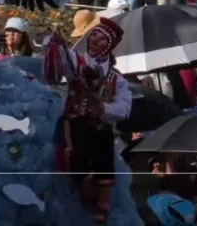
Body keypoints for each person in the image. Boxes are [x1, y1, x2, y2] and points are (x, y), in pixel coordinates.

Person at [44, 19, 132, 223]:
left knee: (104, 150)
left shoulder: (116, 79)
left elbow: (125, 109)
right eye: (93, 35)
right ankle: (86, 191)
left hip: (99, 127)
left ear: (108, 46)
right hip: (74, 125)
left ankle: (103, 201)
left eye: (101, 39)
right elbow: (60, 67)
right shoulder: (76, 60)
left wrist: (103, 109)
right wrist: (54, 45)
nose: (94, 40)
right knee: (76, 158)